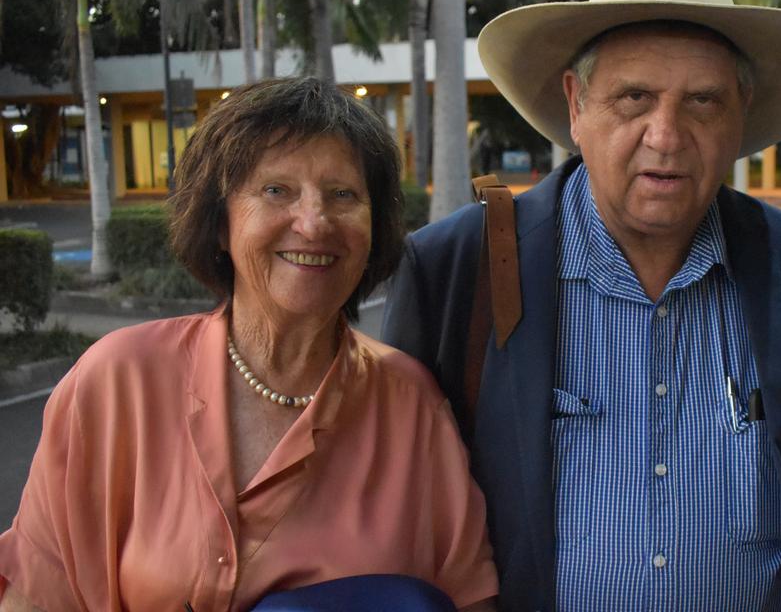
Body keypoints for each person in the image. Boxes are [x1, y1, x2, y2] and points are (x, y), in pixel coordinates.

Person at [382, 0, 781, 611]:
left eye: (702, 102)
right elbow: (402, 514)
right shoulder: (461, 269)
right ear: (576, 104)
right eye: (634, 97)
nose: (666, 134)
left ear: (740, 113)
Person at [0, 78, 498, 611]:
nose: (314, 222)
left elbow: (469, 599)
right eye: (276, 190)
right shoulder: (118, 380)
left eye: (343, 194)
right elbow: (37, 594)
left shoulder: (413, 407)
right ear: (220, 225)